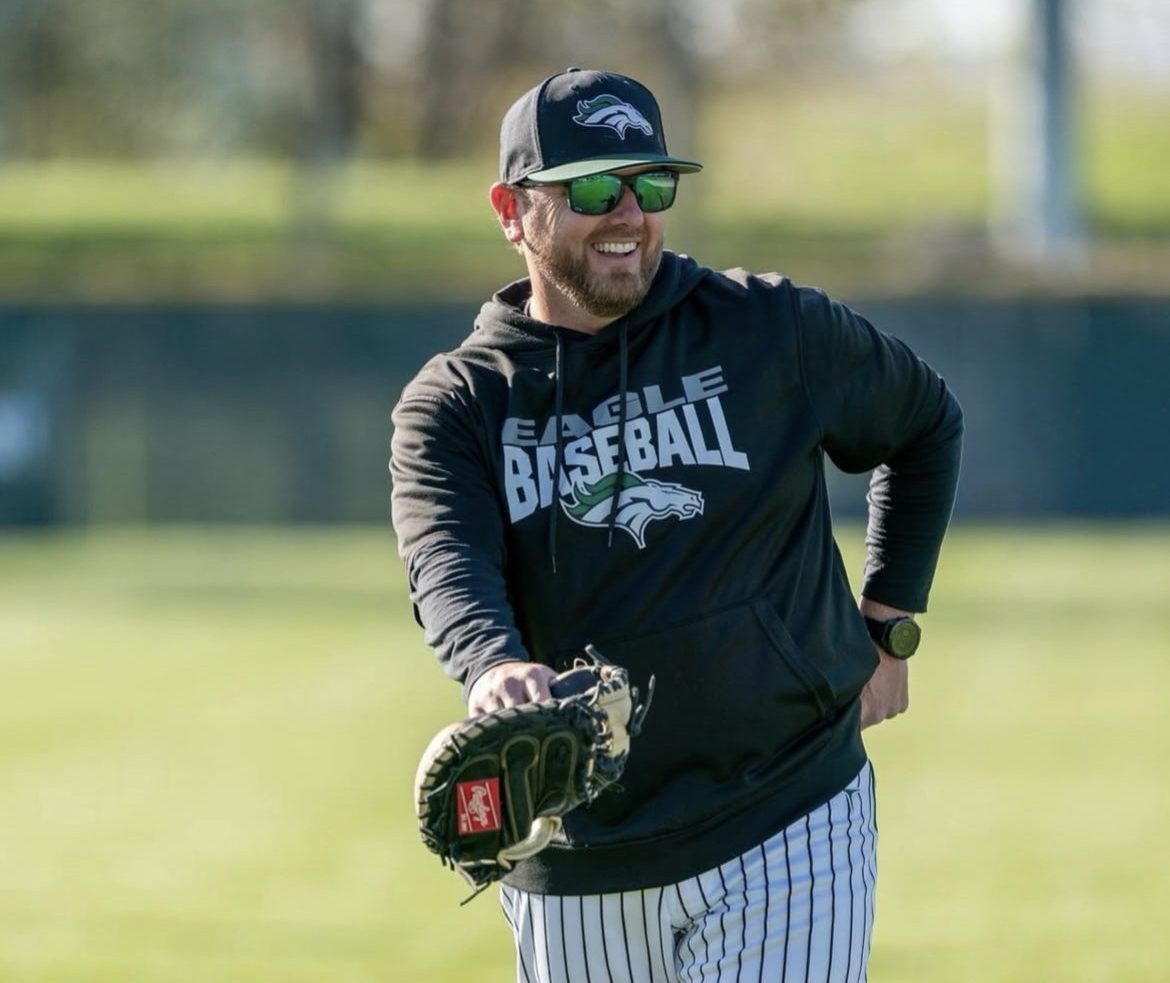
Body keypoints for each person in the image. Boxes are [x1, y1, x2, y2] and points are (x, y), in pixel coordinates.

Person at [391, 67, 962, 983]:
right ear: (511, 209)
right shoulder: (459, 403)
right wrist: (493, 663)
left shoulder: (770, 328)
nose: (628, 212)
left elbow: (925, 422)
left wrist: (890, 620)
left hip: (788, 810)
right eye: (590, 188)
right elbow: (445, 558)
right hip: (578, 855)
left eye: (650, 184)